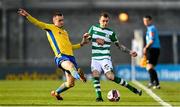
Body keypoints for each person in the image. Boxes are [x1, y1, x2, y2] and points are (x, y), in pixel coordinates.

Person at [18, 8, 88, 100]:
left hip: (71, 57)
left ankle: (56, 93)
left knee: (70, 84)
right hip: (61, 57)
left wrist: (81, 43)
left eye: (62, 20)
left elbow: (70, 47)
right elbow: (37, 23)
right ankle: (80, 77)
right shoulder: (50, 28)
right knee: (70, 66)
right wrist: (27, 15)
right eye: (60, 20)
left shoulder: (65, 32)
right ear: (54, 21)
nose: (62, 22)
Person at [85, 12, 142, 102]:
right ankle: (99, 97)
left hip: (105, 58)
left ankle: (133, 89)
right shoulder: (93, 28)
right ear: (99, 20)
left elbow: (119, 46)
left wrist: (130, 52)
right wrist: (86, 38)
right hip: (95, 58)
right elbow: (86, 41)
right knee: (95, 75)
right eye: (103, 21)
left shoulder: (111, 33)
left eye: (107, 21)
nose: (105, 23)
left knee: (110, 77)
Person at [143, 15, 160, 89]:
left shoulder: (151, 29)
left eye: (147, 21)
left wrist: (145, 47)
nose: (145, 22)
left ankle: (153, 82)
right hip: (153, 49)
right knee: (150, 67)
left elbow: (152, 40)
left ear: (150, 21)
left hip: (153, 49)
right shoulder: (149, 29)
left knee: (149, 66)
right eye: (144, 21)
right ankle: (155, 83)